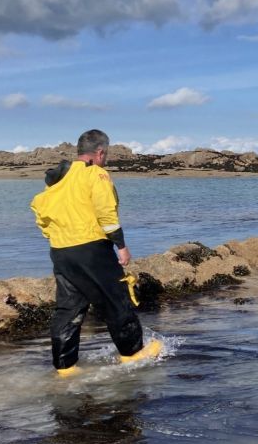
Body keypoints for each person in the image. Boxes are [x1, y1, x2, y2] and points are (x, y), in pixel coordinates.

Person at [31, 130, 161, 377]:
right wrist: (121, 246)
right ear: (100, 152)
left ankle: (65, 369)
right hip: (92, 249)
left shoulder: (58, 180)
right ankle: (133, 354)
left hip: (60, 251)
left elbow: (40, 212)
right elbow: (106, 213)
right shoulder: (97, 174)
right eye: (106, 154)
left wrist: (57, 237)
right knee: (116, 299)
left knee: (69, 308)